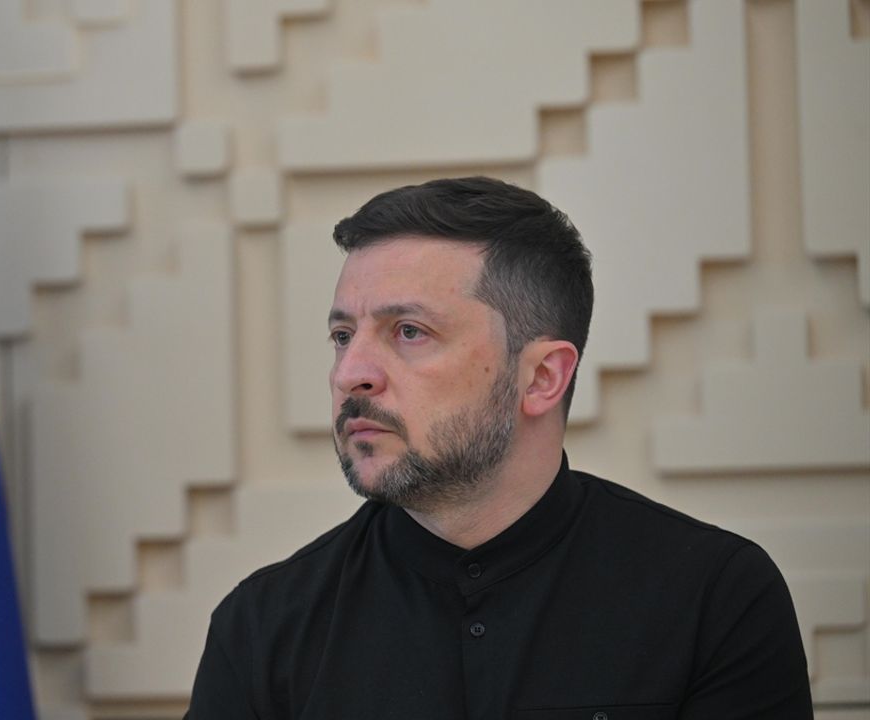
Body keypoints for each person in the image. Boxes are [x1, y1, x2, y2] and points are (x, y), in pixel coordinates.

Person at [186, 177, 812, 718]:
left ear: (540, 377)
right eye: (343, 335)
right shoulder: (261, 628)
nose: (351, 373)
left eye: (409, 331)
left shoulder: (713, 599)